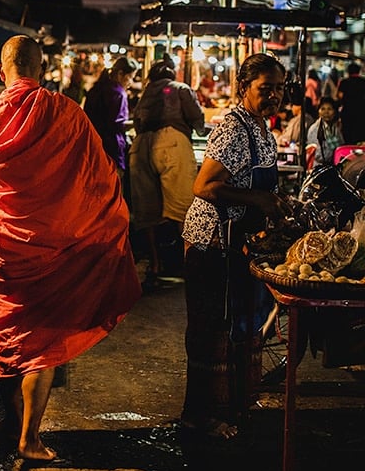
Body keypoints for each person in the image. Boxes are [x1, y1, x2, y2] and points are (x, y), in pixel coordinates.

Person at [0, 35, 140, 462]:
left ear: (1, 71)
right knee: (42, 335)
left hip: (2, 241)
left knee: (4, 328)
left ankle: (12, 419)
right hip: (52, 245)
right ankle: (29, 437)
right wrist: (105, 217)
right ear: (41, 69)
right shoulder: (65, 113)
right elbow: (99, 174)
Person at [181, 53, 294, 442]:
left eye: (280, 88)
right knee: (211, 329)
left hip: (238, 242)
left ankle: (234, 402)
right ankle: (200, 416)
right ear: (244, 88)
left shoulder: (262, 128)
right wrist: (258, 200)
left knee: (238, 326)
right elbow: (204, 187)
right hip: (212, 240)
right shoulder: (233, 128)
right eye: (266, 89)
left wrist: (276, 203)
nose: (275, 95)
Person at [129, 57, 206, 290]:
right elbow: (198, 120)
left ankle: (155, 266)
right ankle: (188, 265)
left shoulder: (146, 92)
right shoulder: (181, 88)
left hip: (141, 146)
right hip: (172, 143)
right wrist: (199, 129)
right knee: (184, 209)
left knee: (148, 213)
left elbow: (137, 123)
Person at [82, 55, 139, 176]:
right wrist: (137, 123)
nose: (130, 83)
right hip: (112, 150)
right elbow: (118, 124)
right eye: (130, 77)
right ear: (120, 74)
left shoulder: (95, 89)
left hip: (92, 149)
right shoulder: (118, 93)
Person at [305, 97, 344, 168]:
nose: (326, 112)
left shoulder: (335, 128)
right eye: (323, 109)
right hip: (319, 168)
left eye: (329, 109)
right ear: (318, 111)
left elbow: (341, 146)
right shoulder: (315, 129)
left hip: (333, 166)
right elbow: (317, 155)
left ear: (334, 112)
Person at [336, 61, 365, 144]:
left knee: (347, 135)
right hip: (361, 112)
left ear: (348, 71)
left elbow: (339, 96)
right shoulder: (363, 82)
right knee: (360, 135)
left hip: (347, 112)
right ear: (359, 71)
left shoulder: (344, 82)